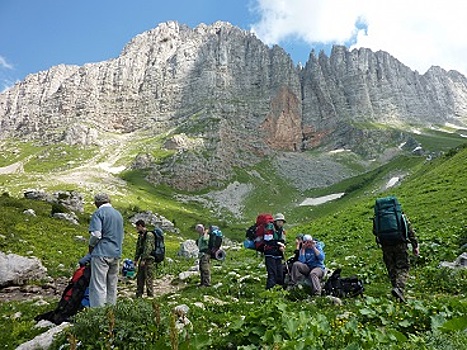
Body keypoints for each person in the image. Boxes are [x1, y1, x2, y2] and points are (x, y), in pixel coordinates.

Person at [88, 193, 124, 307]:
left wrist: (91, 246)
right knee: (112, 285)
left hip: (101, 253)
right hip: (116, 253)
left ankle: (98, 314)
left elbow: (96, 235)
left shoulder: (99, 213)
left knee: (99, 285)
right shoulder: (118, 215)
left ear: (97, 203)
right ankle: (111, 312)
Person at [375, 213, 420, 303]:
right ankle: (399, 289)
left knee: (391, 269)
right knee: (403, 267)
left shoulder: (379, 217)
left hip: (386, 246)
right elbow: (410, 231)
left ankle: (396, 290)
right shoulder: (400, 215)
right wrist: (415, 246)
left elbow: (375, 232)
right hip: (400, 244)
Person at [263, 213, 287, 289]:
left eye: (282, 221)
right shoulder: (269, 228)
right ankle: (269, 290)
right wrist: (278, 245)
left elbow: (283, 241)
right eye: (279, 221)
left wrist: (282, 246)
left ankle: (279, 289)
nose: (280, 223)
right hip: (269, 254)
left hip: (278, 255)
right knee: (272, 273)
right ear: (275, 221)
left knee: (280, 273)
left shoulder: (282, 231)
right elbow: (268, 241)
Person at [134, 220, 156, 298]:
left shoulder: (149, 235)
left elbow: (148, 248)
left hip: (149, 259)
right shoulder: (141, 235)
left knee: (148, 277)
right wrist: (136, 259)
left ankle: (150, 295)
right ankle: (139, 294)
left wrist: (144, 259)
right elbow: (138, 248)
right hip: (142, 259)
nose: (136, 228)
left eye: (137, 227)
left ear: (140, 226)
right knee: (140, 277)